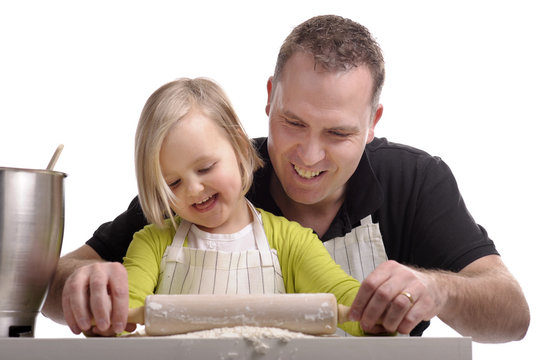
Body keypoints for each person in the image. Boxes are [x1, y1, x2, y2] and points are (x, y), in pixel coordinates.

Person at [42, 15, 529, 342]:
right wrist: (87, 289)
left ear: (373, 121)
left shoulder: (415, 181)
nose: (309, 155)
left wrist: (437, 290)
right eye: (293, 123)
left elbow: (513, 315)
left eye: (338, 132)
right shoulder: (209, 175)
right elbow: (49, 288)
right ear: (270, 97)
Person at [122, 76, 364, 336]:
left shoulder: (291, 242)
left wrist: (382, 306)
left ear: (239, 148)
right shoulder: (152, 244)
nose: (193, 189)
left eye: (205, 168)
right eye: (173, 182)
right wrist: (102, 310)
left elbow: (346, 300)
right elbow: (120, 316)